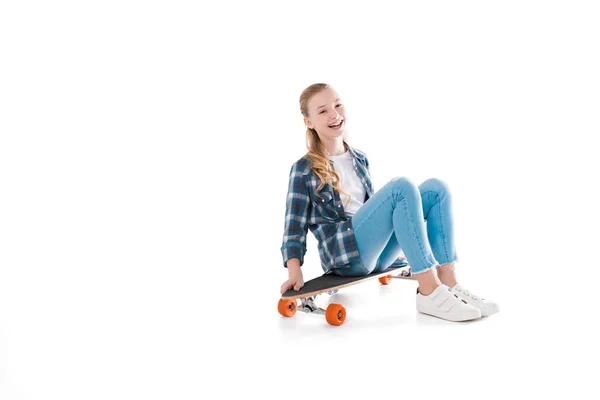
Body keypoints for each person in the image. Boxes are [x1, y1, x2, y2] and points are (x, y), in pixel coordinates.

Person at [279, 83, 499, 322]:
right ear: (308, 121)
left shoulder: (359, 159)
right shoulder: (303, 170)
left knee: (437, 189)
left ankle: (449, 282)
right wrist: (294, 271)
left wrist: (407, 245)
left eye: (338, 105)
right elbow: (294, 226)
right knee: (400, 188)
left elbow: (377, 215)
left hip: (377, 255)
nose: (334, 114)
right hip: (344, 254)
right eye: (322, 111)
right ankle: (429, 290)